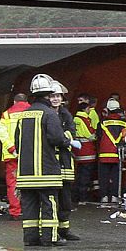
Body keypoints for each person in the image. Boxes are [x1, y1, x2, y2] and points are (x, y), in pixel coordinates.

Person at [14, 74, 67, 247]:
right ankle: (49, 237)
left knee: (29, 205)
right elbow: (57, 139)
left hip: (26, 173)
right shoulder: (50, 114)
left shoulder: (23, 115)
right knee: (49, 204)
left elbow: (17, 142)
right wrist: (67, 141)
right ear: (48, 95)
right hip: (47, 172)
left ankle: (30, 238)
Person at [55, 84, 81, 242]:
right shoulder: (47, 114)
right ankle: (53, 231)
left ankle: (64, 229)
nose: (56, 99)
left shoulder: (66, 114)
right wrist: (64, 138)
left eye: (58, 96)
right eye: (52, 96)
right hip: (51, 162)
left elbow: (71, 132)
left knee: (65, 199)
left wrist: (65, 137)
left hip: (65, 162)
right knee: (52, 199)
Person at [0, 91, 29, 221]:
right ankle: (30, 210)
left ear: (14, 102)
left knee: (13, 183)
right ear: (26, 101)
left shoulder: (6, 114)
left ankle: (15, 211)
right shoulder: (33, 112)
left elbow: (2, 133)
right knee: (30, 183)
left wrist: (11, 148)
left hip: (12, 155)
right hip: (30, 155)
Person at [96, 95, 126, 206]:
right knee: (116, 176)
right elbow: (125, 138)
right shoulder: (124, 123)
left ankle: (104, 196)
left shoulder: (102, 123)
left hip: (104, 154)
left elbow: (98, 137)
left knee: (103, 176)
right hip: (117, 154)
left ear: (108, 110)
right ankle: (115, 196)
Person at [72, 95, 98, 203]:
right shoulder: (84, 119)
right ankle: (83, 197)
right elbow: (90, 134)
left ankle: (75, 197)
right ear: (84, 109)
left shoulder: (74, 119)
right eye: (88, 109)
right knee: (85, 176)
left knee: (78, 175)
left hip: (78, 151)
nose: (89, 110)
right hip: (87, 151)